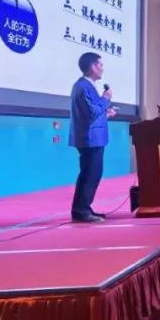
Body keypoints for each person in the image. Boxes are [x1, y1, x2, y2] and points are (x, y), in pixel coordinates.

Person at [69, 52, 116, 223]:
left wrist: (106, 113)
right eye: (100, 65)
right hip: (90, 139)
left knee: (92, 174)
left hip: (94, 137)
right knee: (90, 174)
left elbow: (94, 112)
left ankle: (84, 208)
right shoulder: (83, 87)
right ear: (92, 67)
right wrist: (105, 99)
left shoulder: (87, 86)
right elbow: (92, 111)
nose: (102, 68)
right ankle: (81, 211)